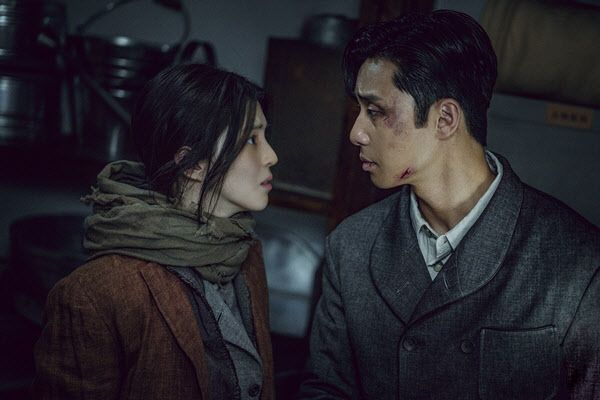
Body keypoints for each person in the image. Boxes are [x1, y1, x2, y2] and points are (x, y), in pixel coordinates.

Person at [298, 10, 600, 400]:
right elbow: (326, 389)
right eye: (359, 111)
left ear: (444, 119)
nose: (357, 132)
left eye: (375, 111)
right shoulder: (351, 247)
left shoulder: (578, 264)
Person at [33, 63, 278, 399]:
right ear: (193, 164)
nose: (271, 155)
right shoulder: (93, 293)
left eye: (265, 137)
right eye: (251, 139)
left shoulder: (247, 256)